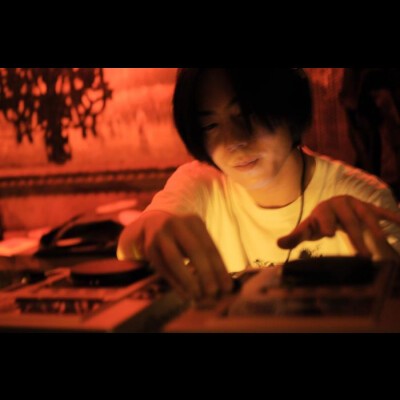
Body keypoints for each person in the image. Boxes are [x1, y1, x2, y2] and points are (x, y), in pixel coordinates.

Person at [117, 68, 400, 302]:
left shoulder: (361, 197)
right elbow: (133, 244)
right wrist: (151, 230)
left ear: (290, 109)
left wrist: (370, 244)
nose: (233, 141)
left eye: (246, 114)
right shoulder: (200, 184)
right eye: (210, 126)